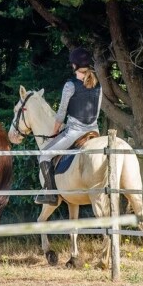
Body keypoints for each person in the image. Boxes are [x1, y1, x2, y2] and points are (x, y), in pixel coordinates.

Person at [35, 47, 102, 205]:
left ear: (74, 66)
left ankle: (51, 195)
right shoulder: (98, 85)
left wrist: (55, 131)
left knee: (44, 155)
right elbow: (97, 112)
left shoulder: (70, 85)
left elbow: (61, 113)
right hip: (94, 131)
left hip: (75, 132)